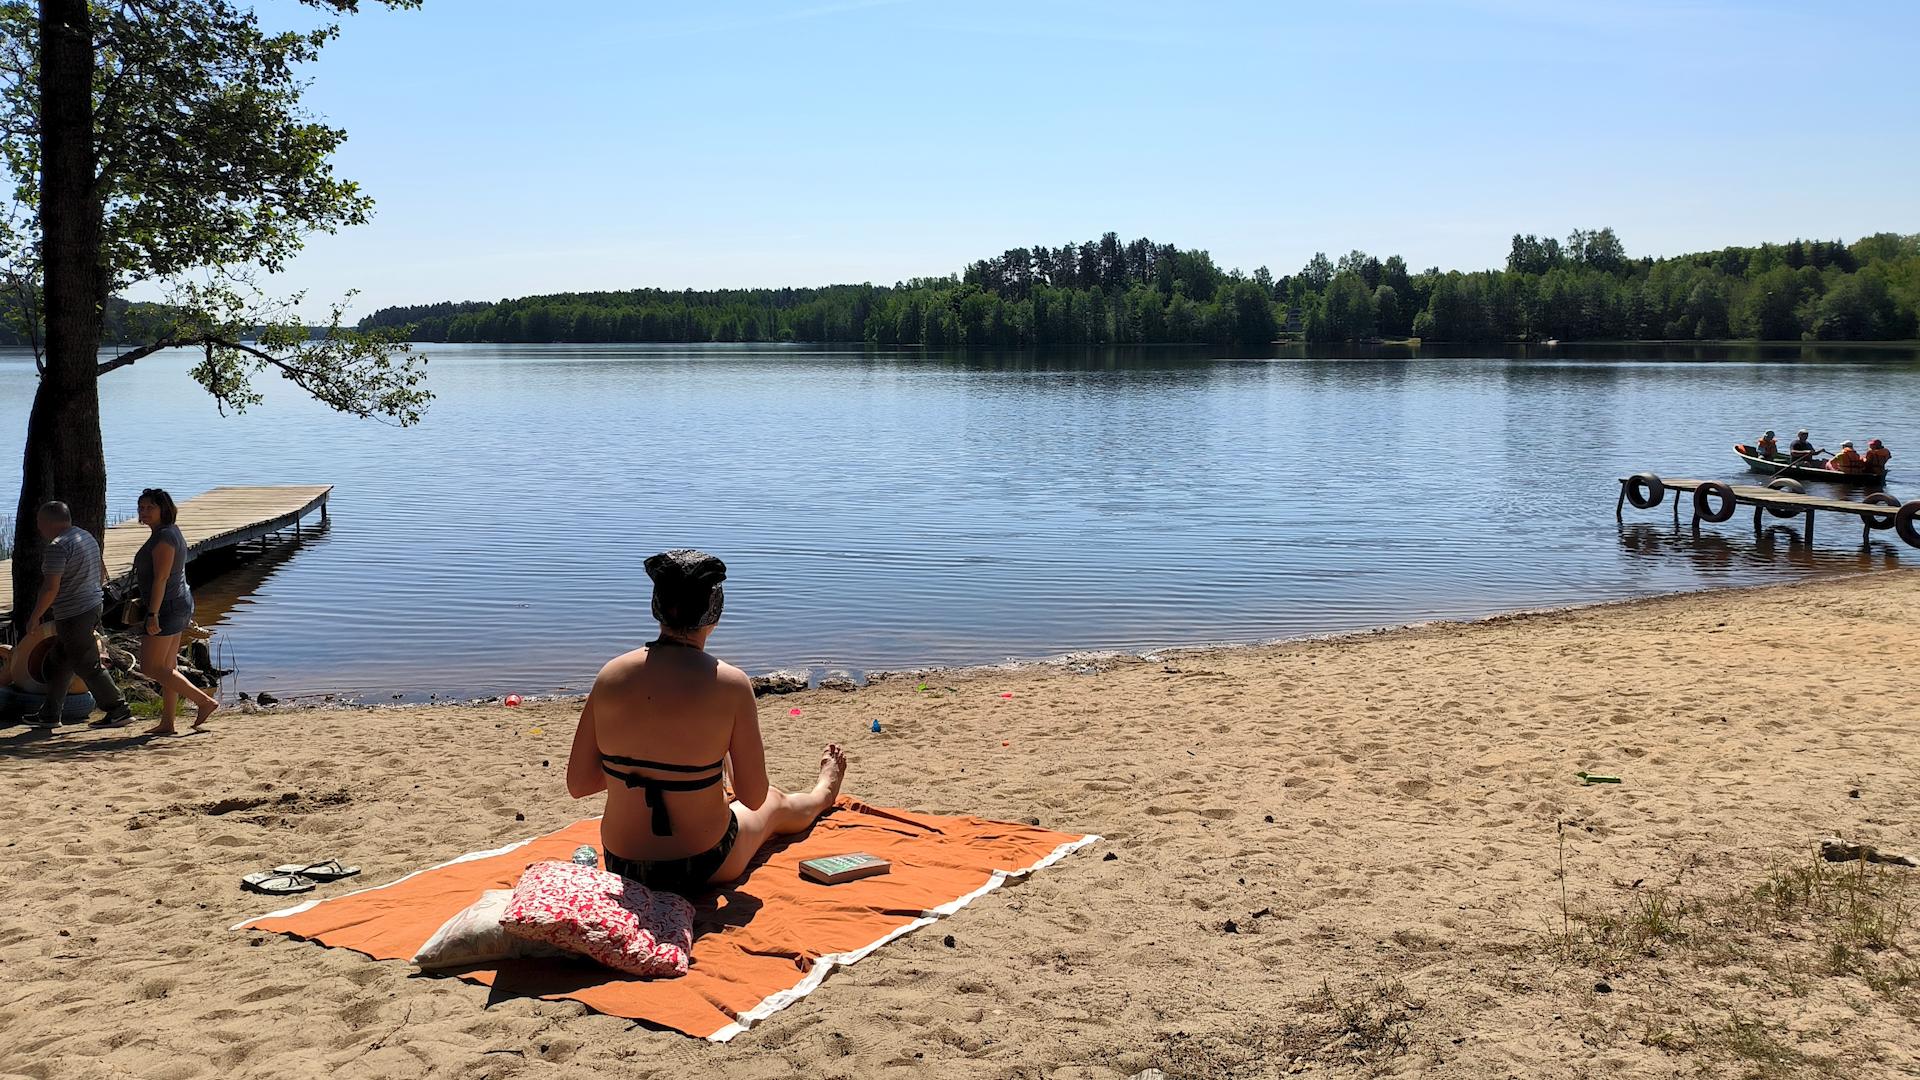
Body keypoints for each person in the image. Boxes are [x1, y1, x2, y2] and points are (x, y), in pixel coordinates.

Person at [566, 549, 847, 897]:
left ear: (657, 606)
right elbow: (754, 796)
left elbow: (579, 784)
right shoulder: (729, 683)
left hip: (622, 862)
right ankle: (822, 794)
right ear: (714, 613)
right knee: (774, 803)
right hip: (704, 861)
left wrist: (642, 771)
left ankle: (710, 774)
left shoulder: (610, 675)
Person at [23, 501, 133, 729]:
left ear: (46, 522)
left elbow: (50, 588)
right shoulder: (85, 537)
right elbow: (101, 572)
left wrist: (35, 616)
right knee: (59, 659)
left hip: (74, 613)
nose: (38, 527)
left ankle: (118, 709)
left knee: (86, 664)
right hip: (92, 606)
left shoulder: (57, 546)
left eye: (39, 522)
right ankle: (50, 714)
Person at [133, 488, 218, 734]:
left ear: (164, 509)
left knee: (150, 667)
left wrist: (152, 614)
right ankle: (168, 723)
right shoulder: (168, 532)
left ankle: (204, 701)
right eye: (141, 507)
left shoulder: (164, 538)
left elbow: (161, 579)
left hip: (167, 607)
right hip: (178, 603)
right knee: (168, 667)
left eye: (150, 507)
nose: (144, 512)